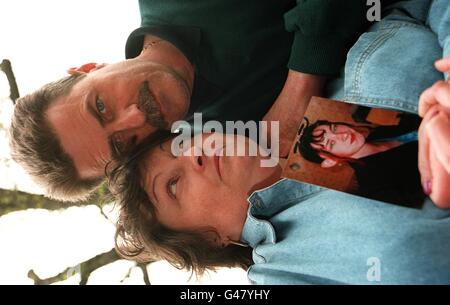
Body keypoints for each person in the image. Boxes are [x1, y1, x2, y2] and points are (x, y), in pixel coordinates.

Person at [9, 0, 402, 201]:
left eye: (100, 107)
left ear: (89, 67)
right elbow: (399, 157)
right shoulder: (217, 151)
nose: (133, 117)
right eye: (120, 143)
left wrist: (300, 87)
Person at [107, 131, 450, 284]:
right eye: (173, 185)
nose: (193, 154)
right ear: (210, 238)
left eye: (178, 144)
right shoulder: (282, 275)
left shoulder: (332, 99)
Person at [296, 116, 425, 206]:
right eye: (331, 143)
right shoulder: (376, 188)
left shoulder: (377, 133)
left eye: (334, 128)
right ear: (330, 161)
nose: (343, 135)